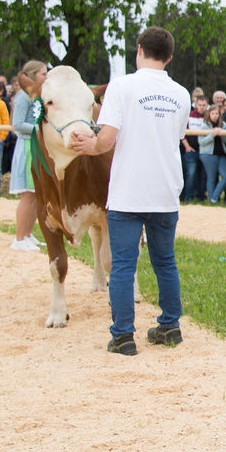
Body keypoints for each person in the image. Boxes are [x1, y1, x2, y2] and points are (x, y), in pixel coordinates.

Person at [66, 27, 192, 355]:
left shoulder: (122, 86)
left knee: (123, 263)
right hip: (165, 189)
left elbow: (106, 140)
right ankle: (169, 326)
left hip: (128, 191)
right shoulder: (181, 93)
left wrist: (86, 146)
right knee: (165, 261)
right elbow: (176, 135)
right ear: (169, 57)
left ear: (138, 50)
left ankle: (123, 335)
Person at [8, 61, 48, 251]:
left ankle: (27, 233)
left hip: (36, 146)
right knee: (28, 194)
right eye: (43, 74)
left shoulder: (37, 95)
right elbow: (17, 125)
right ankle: (19, 237)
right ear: (32, 75)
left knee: (36, 194)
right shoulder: (23, 97)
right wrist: (40, 130)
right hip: (26, 146)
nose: (45, 77)